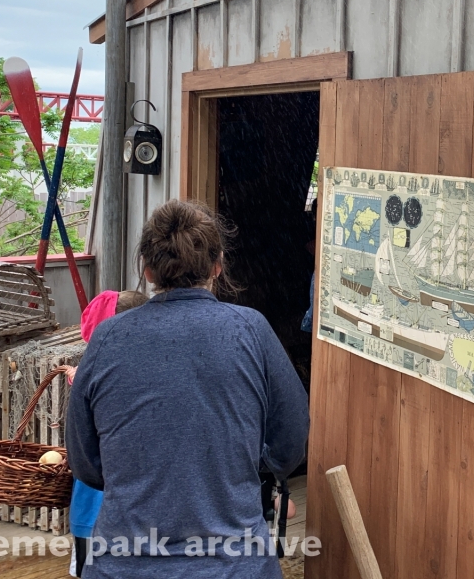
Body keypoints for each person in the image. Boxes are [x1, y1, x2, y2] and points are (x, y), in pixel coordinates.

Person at [66, 200, 310, 578]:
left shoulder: (108, 338)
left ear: (147, 269)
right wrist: (247, 465)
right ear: (218, 265)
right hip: (235, 565)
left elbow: (85, 462)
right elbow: (290, 440)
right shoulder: (250, 330)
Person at [64, 289, 149, 578]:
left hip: (99, 500)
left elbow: (80, 448)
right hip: (140, 505)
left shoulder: (95, 374)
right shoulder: (152, 369)